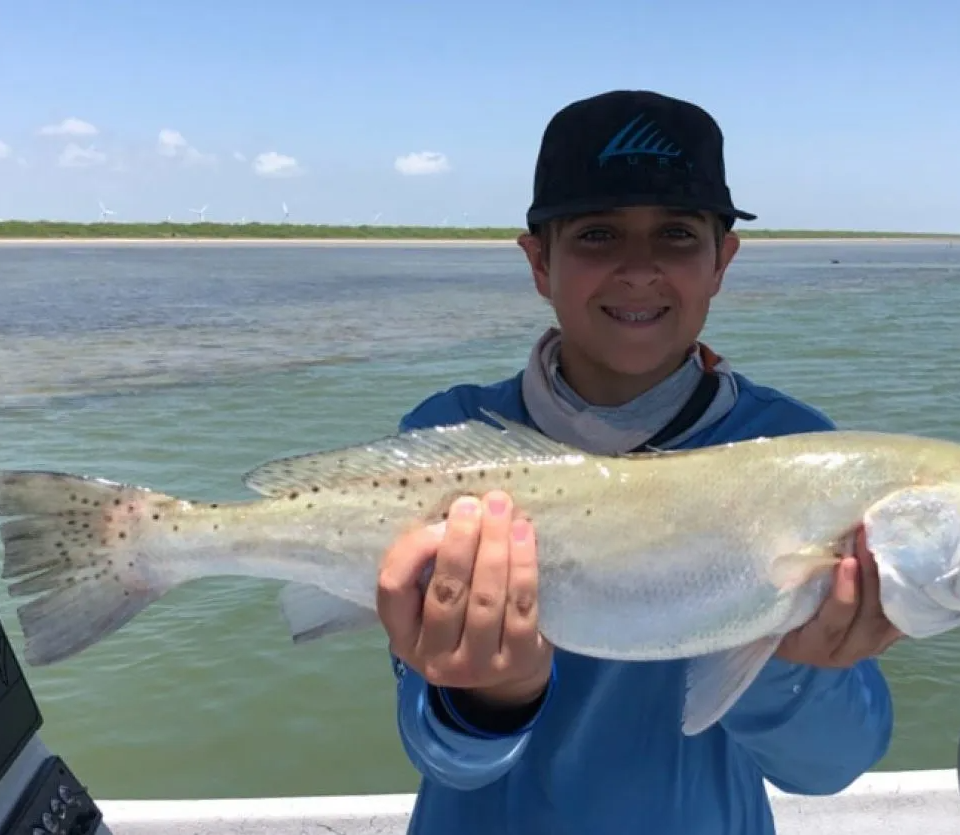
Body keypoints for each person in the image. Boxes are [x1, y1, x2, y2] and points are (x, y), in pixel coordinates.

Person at [375, 89, 900, 835]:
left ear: (722, 260)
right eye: (597, 234)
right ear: (538, 263)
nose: (639, 269)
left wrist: (789, 662)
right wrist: (489, 696)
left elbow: (830, 766)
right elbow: (442, 755)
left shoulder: (799, 451)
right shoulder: (448, 440)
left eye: (678, 235)